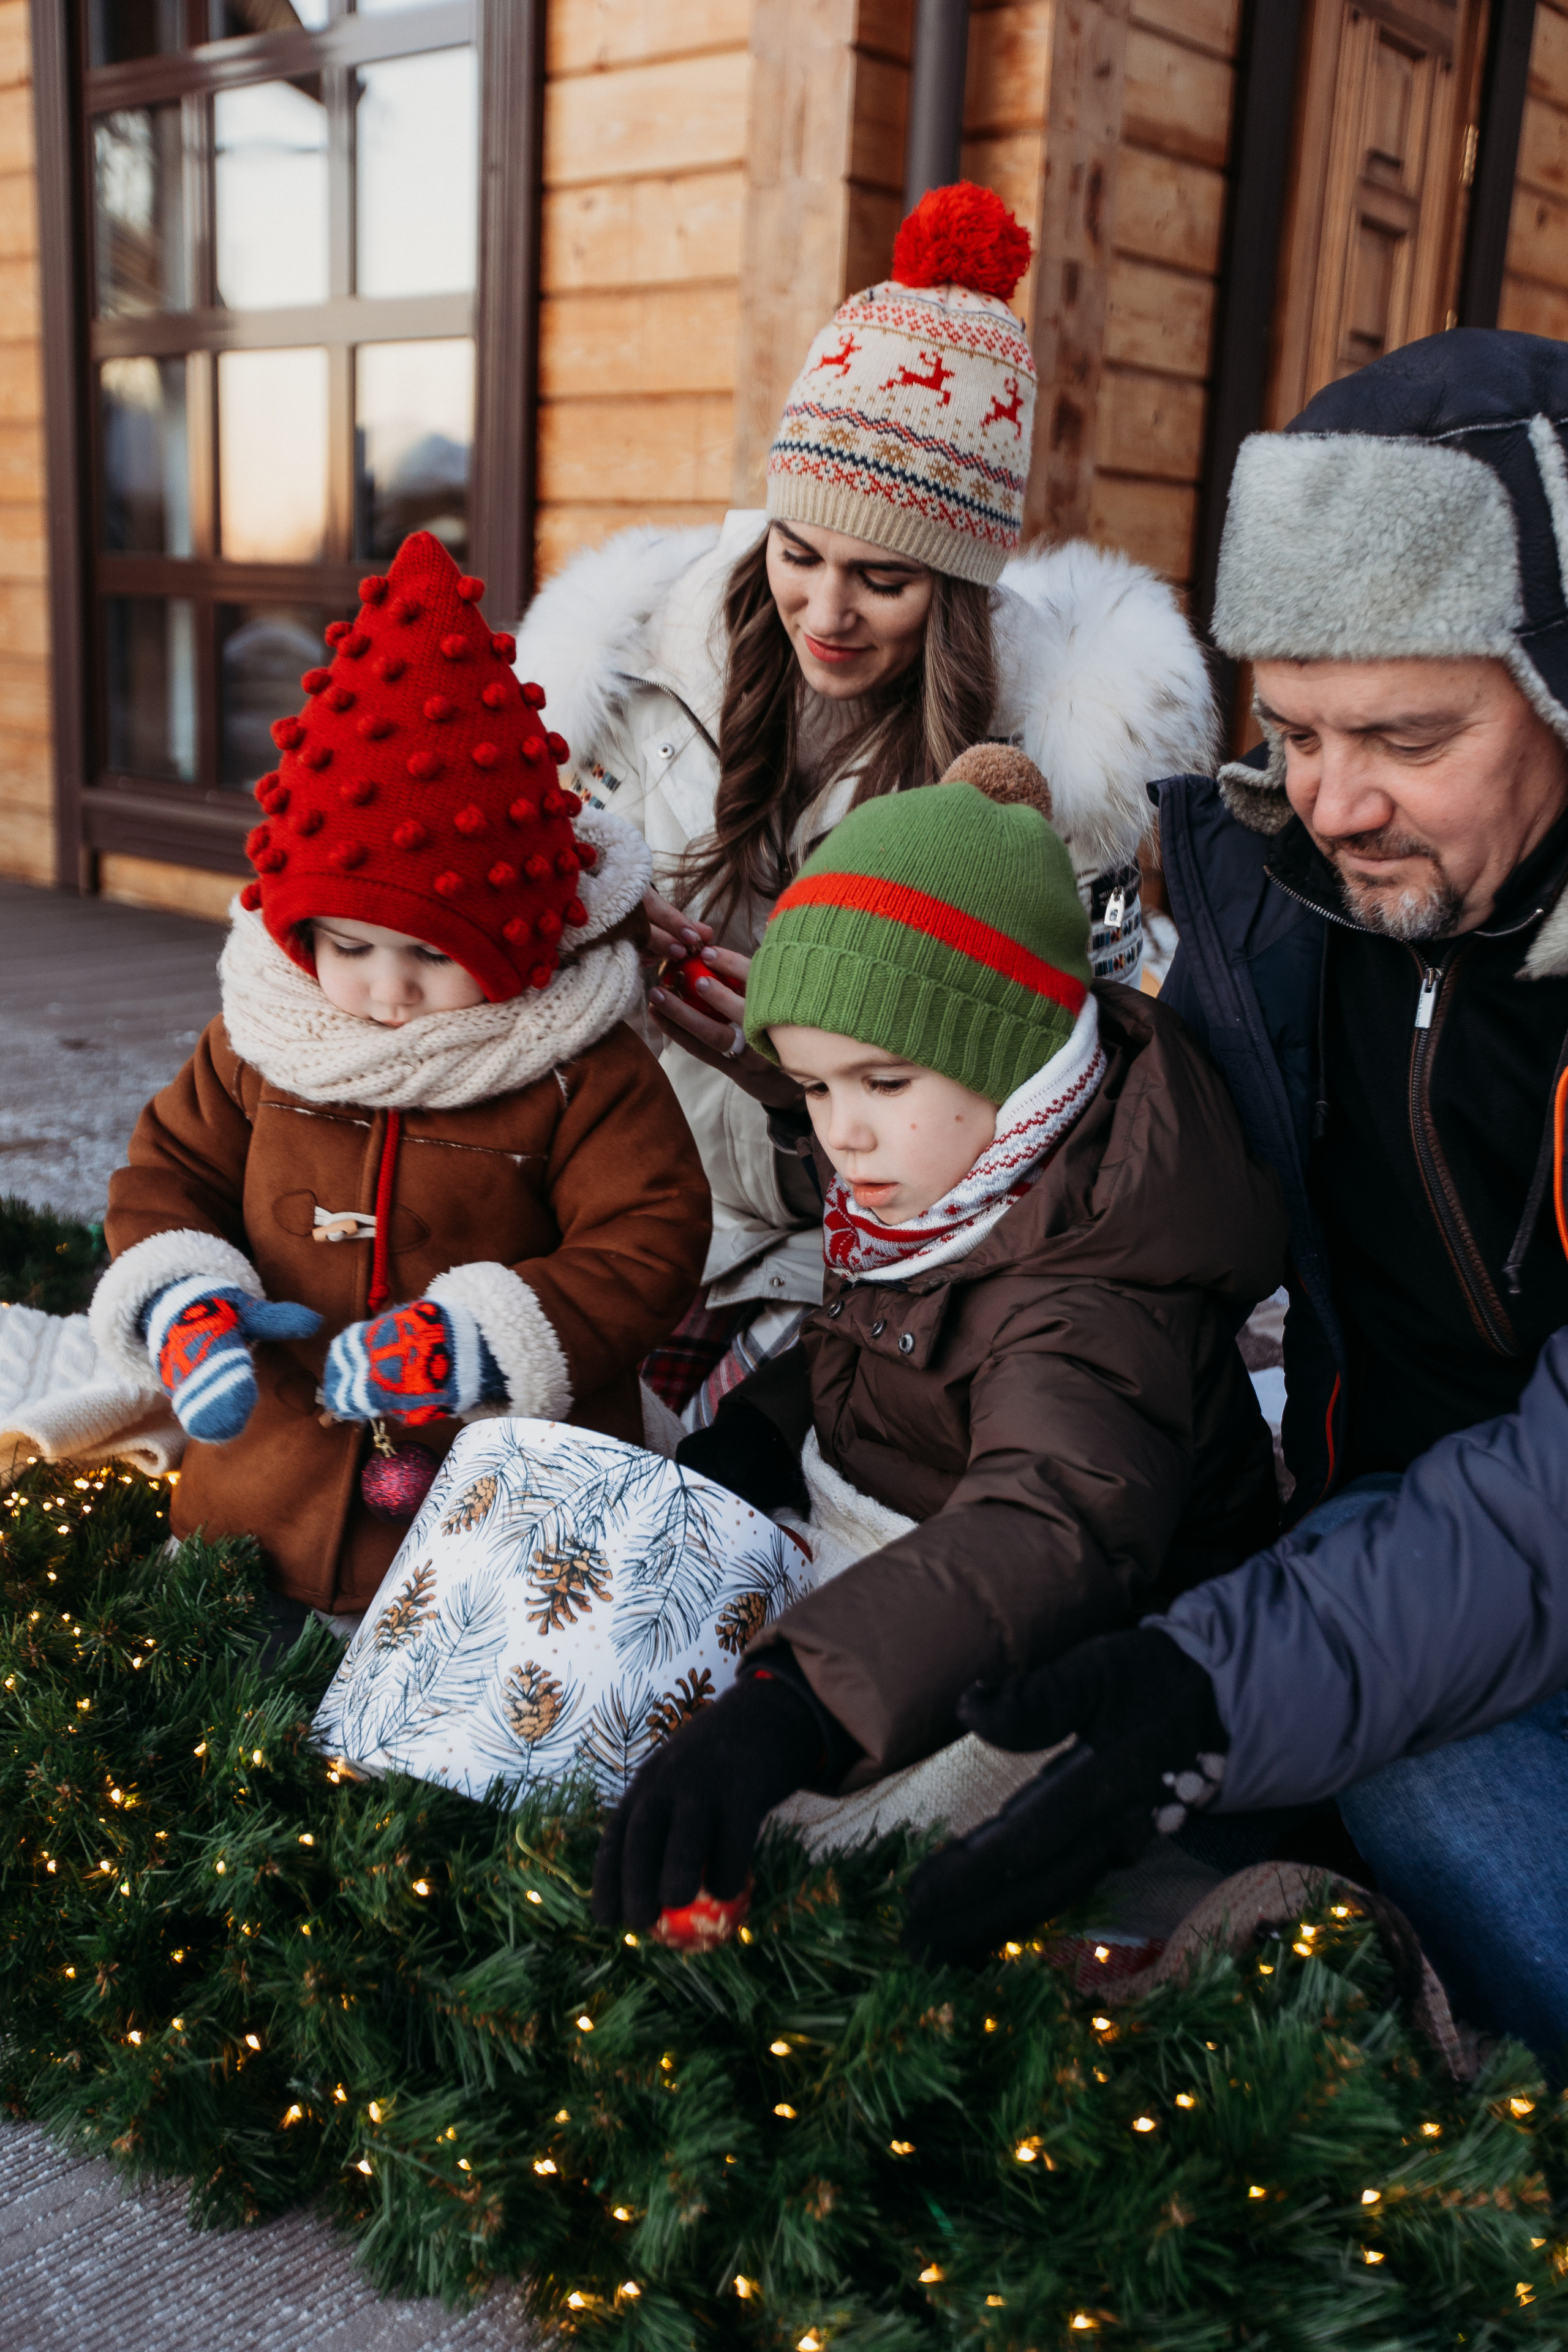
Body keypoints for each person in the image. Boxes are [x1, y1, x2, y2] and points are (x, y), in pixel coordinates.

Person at [899, 330, 1568, 2065]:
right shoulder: (1286, 908)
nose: (1334, 802)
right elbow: (1138, 1245)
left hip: (1507, 1561)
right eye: (1295, 727)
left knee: (1419, 1788)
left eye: (1407, 735)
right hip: (1380, 1541)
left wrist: (1225, 1688)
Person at [513, 183, 1215, 1421]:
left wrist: (789, 1082)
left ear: (956, 593)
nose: (824, 612)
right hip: (602, 1196)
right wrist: (596, 917)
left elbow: (1043, 1103)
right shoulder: (620, 668)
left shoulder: (1052, 773)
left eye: (881, 579)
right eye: (798, 553)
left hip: (843, 1255)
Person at [590, 742, 1287, 1932]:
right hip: (906, 1570)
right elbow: (876, 1346)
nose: (843, 1138)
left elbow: (1049, 1529)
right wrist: (760, 1438)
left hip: (1073, 1646)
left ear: (1012, 1060)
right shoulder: (945, 1189)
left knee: (825, 1876)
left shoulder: (1092, 1291)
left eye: (881, 1082)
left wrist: (795, 1706)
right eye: (812, 1089)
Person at [89, 530, 710, 1624]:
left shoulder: (575, 1065)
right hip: (263, 1496)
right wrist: (185, 1299)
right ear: (298, 935)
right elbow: (169, 1173)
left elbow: (649, 1237)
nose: (386, 991)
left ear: (519, 940)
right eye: (348, 945)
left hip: (493, 1524)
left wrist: (485, 1337)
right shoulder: (262, 1039)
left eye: (432, 955)